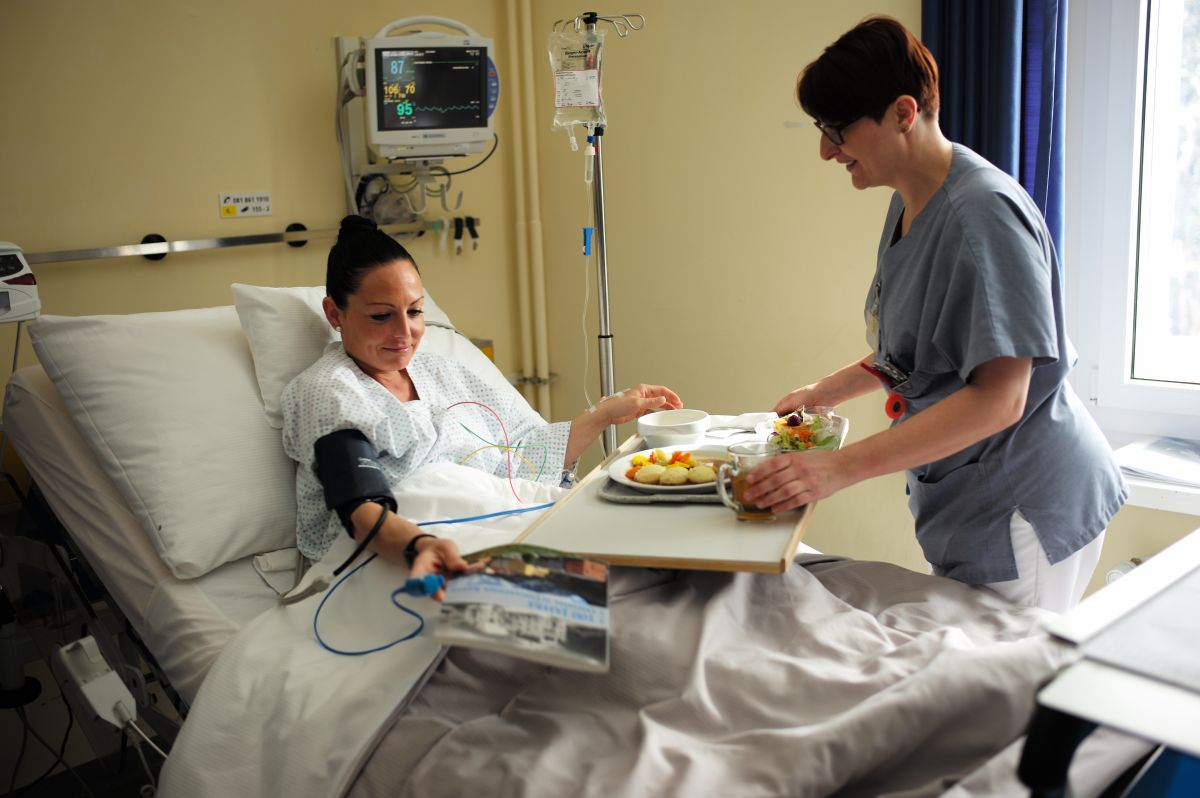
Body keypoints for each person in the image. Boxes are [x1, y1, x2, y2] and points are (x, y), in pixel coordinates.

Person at [743, 17, 1127, 612]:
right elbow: (918, 352)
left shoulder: (983, 217)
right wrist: (824, 392)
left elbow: (1001, 399)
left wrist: (836, 470)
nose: (826, 150)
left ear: (902, 112)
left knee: (1009, 667)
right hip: (973, 501)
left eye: (837, 130)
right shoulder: (912, 202)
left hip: (1022, 506)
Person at [280, 215, 681, 597]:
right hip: (398, 554)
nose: (404, 332)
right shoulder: (330, 392)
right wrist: (419, 547)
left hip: (498, 526)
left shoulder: (443, 374)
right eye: (382, 316)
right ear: (334, 313)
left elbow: (524, 457)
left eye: (415, 311)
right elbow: (361, 506)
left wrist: (605, 414)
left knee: (656, 566)